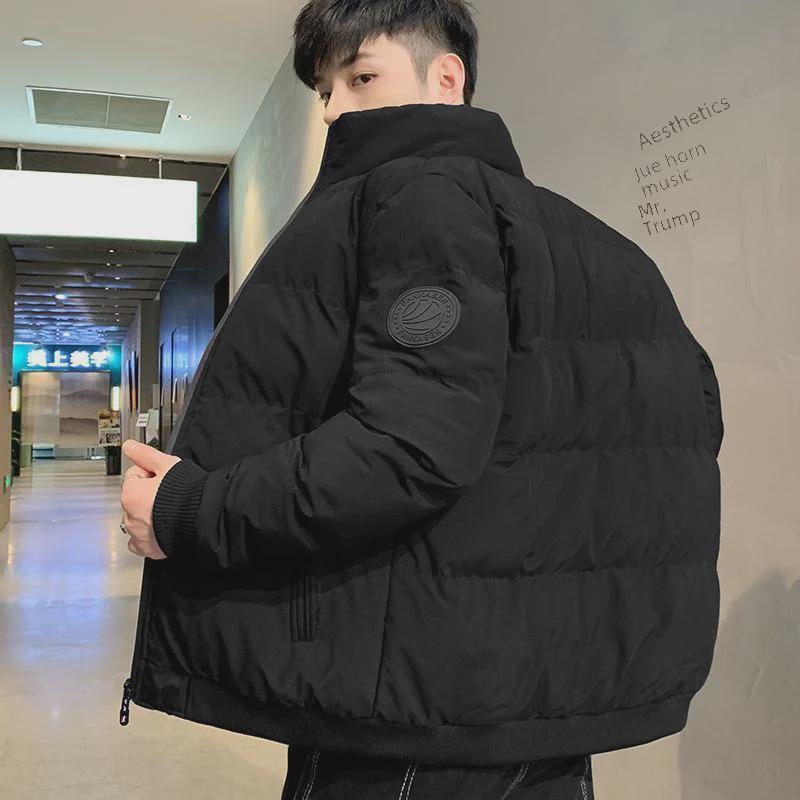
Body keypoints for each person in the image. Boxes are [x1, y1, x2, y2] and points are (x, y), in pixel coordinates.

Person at [118, 1, 724, 798]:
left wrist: (188, 511)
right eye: (325, 90)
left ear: (446, 77)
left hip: (410, 715)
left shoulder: (418, 196)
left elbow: (408, 445)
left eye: (361, 77)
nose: (333, 110)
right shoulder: (596, 247)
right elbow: (688, 426)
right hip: (535, 715)